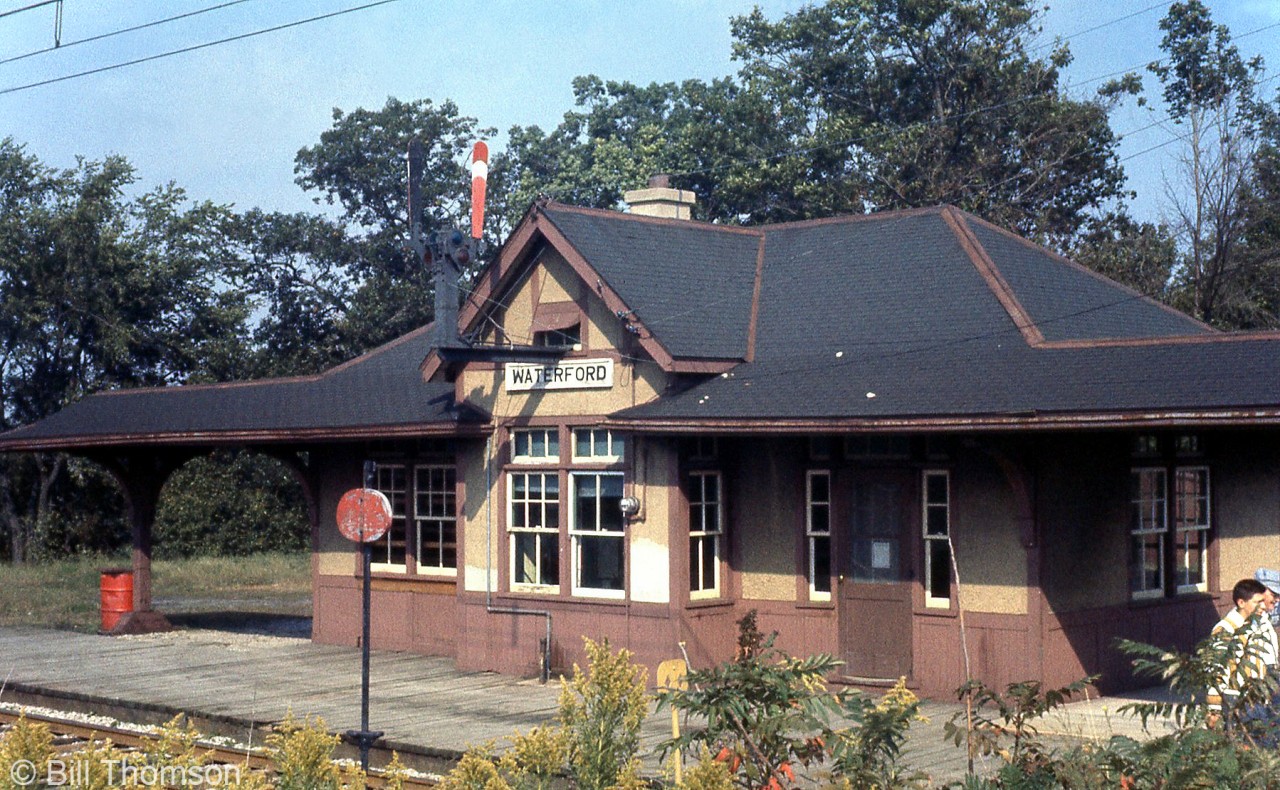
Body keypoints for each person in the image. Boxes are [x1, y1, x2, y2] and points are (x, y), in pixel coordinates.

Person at [1206, 578, 1270, 728]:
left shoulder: (1256, 625)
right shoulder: (1225, 629)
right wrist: (1214, 709)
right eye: (1257, 602)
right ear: (1241, 603)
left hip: (1256, 697)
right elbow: (1216, 669)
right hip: (1235, 699)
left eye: (1263, 601)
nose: (1263, 606)